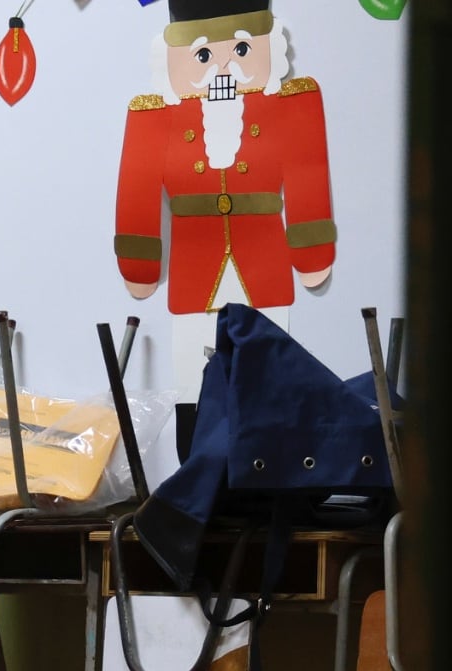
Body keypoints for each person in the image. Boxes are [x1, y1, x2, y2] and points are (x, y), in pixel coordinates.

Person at [114, 0, 335, 397]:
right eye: (201, 55)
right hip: (193, 263)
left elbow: (307, 173)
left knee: (269, 373)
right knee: (194, 373)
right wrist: (139, 263)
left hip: (263, 258)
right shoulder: (153, 118)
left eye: (242, 50)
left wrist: (312, 250)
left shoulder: (291, 106)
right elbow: (137, 187)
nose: (222, 67)